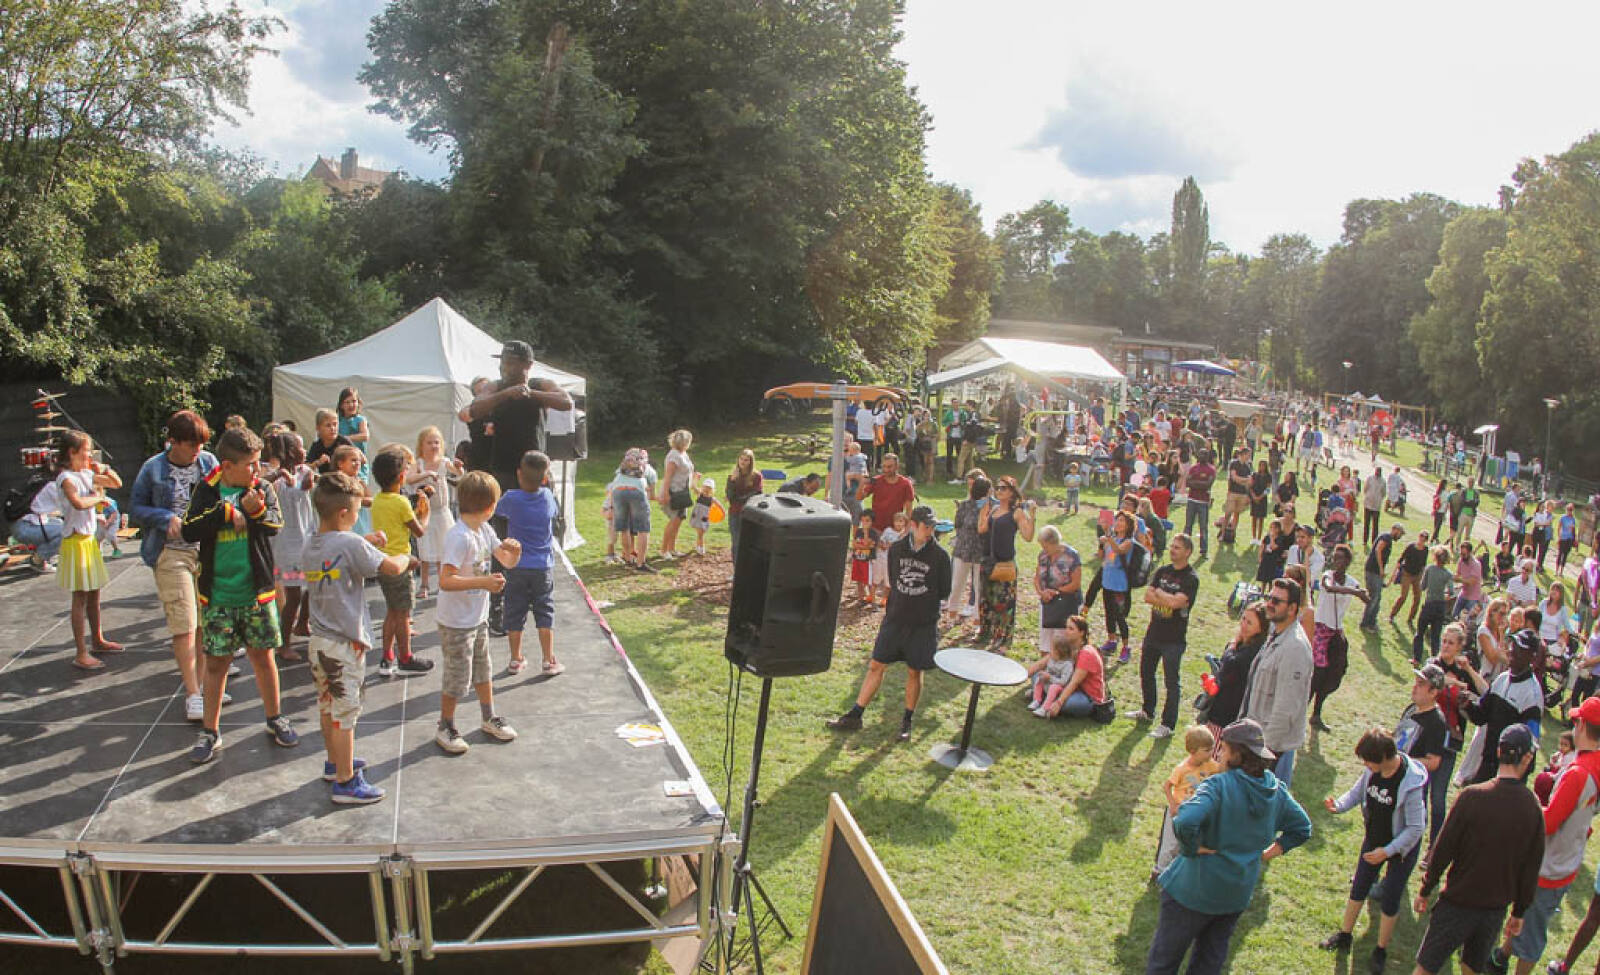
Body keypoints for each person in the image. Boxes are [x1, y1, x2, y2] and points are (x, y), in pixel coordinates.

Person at [1145, 718, 1312, 975]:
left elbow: (1185, 820)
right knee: (1208, 964)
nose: (1219, 755)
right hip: (1235, 895)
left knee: (1163, 963)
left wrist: (1190, 848)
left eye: (1223, 749)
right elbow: (1302, 828)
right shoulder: (1275, 791)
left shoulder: (1218, 785)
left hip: (1193, 890)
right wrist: (1267, 854)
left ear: (1236, 755)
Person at [180, 427, 297, 764]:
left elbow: (275, 525)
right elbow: (189, 529)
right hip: (219, 595)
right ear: (228, 466)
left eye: (259, 462)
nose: (257, 470)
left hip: (257, 594)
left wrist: (254, 512)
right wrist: (227, 513)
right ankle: (210, 731)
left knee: (263, 657)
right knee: (216, 663)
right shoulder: (207, 489)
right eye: (250, 464)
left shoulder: (262, 488)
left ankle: (275, 717)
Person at [301, 472, 416, 804]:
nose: (358, 516)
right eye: (355, 511)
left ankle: (334, 762)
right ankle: (346, 781)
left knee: (328, 706)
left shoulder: (312, 542)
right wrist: (405, 557)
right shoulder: (350, 543)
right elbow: (390, 567)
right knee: (346, 715)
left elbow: (343, 551)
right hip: (344, 646)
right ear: (343, 513)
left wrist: (367, 542)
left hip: (319, 642)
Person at [1412, 724, 1545, 975]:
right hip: (1494, 911)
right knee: (1472, 968)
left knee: (1426, 968)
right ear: (1528, 758)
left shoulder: (1471, 797)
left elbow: (1443, 849)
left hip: (1457, 902)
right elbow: (1531, 867)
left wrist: (1426, 888)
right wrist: (1519, 911)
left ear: (1498, 751)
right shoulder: (1533, 808)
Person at [1487, 697, 1600, 975]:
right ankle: (1501, 956)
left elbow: (1547, 823)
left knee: (1532, 935)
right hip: (1567, 858)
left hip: (1550, 865)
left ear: (1582, 725)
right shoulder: (1593, 763)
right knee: (1524, 916)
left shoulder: (1578, 773)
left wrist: (1531, 803)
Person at [828, 507, 950, 741]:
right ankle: (855, 715)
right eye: (926, 526)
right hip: (895, 619)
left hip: (922, 624)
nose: (930, 530)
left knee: (914, 671)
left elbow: (944, 590)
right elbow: (894, 581)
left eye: (932, 526)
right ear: (913, 525)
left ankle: (907, 721)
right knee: (876, 665)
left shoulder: (940, 556)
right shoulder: (897, 549)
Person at [129, 410, 220, 720]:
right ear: (173, 442)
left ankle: (205, 686)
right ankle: (193, 694)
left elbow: (224, 494)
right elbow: (136, 507)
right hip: (170, 553)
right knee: (184, 623)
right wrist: (163, 517)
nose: (197, 450)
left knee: (204, 622)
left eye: (201, 444)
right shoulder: (153, 468)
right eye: (191, 444)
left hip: (205, 551)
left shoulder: (208, 462)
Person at [1318, 728, 1429, 975]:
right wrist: (1339, 805)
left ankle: (1380, 950)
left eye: (1368, 760)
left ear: (1384, 757)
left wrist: (1388, 851)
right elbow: (1358, 792)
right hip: (1375, 839)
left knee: (1390, 899)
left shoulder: (1410, 783)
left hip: (1401, 849)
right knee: (1359, 886)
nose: (1365, 765)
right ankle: (1344, 935)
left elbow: (1416, 828)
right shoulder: (1372, 771)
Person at [434, 471, 523, 754]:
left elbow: (505, 560)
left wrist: (515, 552)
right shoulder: (459, 537)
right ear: (490, 506)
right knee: (457, 677)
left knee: (483, 671)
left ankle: (488, 717)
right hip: (456, 623)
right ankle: (445, 725)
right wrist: (483, 582)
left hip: (477, 618)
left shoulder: (484, 530)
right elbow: (445, 580)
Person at [53, 431, 124, 671]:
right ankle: (81, 652)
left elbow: (117, 483)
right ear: (72, 452)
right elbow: (78, 503)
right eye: (86, 450)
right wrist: (97, 498)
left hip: (88, 541)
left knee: (94, 593)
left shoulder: (86, 474)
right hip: (75, 542)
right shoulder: (66, 478)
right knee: (80, 596)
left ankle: (97, 639)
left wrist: (104, 470)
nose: (90, 455)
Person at [465, 340, 574, 493]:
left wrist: (530, 393)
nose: (503, 367)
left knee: (538, 507)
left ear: (528, 365)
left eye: (510, 362)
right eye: (502, 362)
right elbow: (475, 409)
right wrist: (506, 394)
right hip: (504, 470)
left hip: (534, 469)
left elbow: (566, 402)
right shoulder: (496, 386)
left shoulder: (539, 384)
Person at [1242, 577, 1315, 788]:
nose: (1269, 604)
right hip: (1253, 738)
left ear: (1292, 608)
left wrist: (1263, 754)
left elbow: (1286, 709)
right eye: (1269, 598)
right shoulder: (1275, 633)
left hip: (1270, 750)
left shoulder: (1295, 648)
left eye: (1276, 601)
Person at [496, 450, 562, 677]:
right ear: (544, 478)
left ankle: (515, 659)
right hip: (542, 566)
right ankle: (548, 660)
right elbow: (554, 511)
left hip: (516, 565)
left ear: (519, 474)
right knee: (545, 611)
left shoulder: (511, 498)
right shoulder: (547, 497)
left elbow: (498, 510)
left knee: (514, 611)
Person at [368, 448, 432, 679]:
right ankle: (405, 658)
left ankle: (387, 657)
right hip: (400, 565)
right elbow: (419, 531)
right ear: (401, 476)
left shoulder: (378, 500)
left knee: (392, 611)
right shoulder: (401, 502)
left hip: (383, 562)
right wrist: (425, 510)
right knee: (403, 614)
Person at [1129, 534, 1200, 739]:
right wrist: (1166, 597)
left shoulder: (1191, 578)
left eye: (1177, 548)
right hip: (1154, 632)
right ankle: (1147, 711)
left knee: (1171, 682)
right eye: (1172, 546)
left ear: (1188, 552)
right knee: (1146, 672)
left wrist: (1160, 594)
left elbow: (1177, 603)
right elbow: (1147, 596)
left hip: (1174, 639)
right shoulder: (1162, 571)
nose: (1172, 550)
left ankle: (1167, 724)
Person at [1464, 630, 1545, 784]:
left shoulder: (1532, 697)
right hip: (1487, 764)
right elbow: (1481, 716)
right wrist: (1467, 705)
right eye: (1513, 644)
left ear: (1532, 657)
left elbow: (1530, 747)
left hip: (1508, 776)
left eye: (1519, 648)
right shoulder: (1501, 679)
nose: (1512, 650)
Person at [263, 432, 313, 660]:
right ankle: (283, 644)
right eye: (301, 447)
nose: (305, 450)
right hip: (287, 545)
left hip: (305, 538)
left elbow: (310, 484)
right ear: (292, 452)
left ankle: (302, 623)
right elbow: (261, 485)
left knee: (313, 584)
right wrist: (279, 474)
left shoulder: (304, 472)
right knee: (293, 595)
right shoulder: (276, 479)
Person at [1152, 726, 1224, 879]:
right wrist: (1173, 805)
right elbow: (1167, 786)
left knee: (1187, 843)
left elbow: (1222, 772)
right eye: (1207, 750)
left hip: (1195, 812)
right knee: (1170, 844)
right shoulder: (1182, 769)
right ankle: (1159, 871)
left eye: (1212, 749)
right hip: (1177, 812)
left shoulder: (1210, 765)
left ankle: (1177, 873)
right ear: (1193, 751)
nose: (1211, 753)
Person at [1311, 544, 1367, 732]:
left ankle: (1316, 714)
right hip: (1321, 629)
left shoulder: (1352, 581)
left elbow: (1366, 598)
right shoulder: (1327, 575)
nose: (1337, 561)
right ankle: (1303, 711)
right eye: (1335, 557)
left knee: (1335, 673)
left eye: (1341, 558)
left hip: (1336, 632)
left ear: (1348, 561)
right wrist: (1354, 592)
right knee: (1318, 672)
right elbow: (1328, 587)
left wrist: (1364, 595)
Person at [977, 476, 1034, 655]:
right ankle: (986, 633)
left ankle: (1003, 640)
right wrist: (983, 512)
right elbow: (982, 529)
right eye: (997, 487)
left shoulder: (1016, 512)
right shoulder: (994, 509)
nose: (999, 490)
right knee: (986, 600)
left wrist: (1032, 516)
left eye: (1003, 488)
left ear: (1011, 492)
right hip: (988, 562)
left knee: (1004, 604)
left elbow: (1028, 536)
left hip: (1005, 564)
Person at [407, 426, 462, 599]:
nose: (433, 446)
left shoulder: (444, 461)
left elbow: (458, 474)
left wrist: (459, 468)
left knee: (442, 549)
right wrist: (426, 474)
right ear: (421, 445)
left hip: (442, 512)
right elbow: (409, 479)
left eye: (436, 442)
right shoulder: (419, 463)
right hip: (426, 514)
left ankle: (442, 582)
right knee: (425, 551)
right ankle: (424, 584)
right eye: (429, 443)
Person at [1201, 603, 1269, 735]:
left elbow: (1232, 664)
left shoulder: (1253, 652)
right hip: (1218, 707)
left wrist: (1231, 647)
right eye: (1243, 618)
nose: (1243, 624)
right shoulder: (1240, 643)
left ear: (1261, 628)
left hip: (1229, 715)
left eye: (1249, 623)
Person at [1031, 617, 1107, 719]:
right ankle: (1045, 698)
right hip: (1070, 687)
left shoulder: (1086, 653)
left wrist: (1059, 703)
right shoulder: (1069, 646)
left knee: (1068, 704)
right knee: (1037, 676)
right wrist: (1023, 676)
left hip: (1087, 697)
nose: (1066, 631)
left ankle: (1045, 699)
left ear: (1081, 633)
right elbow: (1045, 661)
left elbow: (1074, 682)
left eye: (1071, 629)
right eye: (1066, 627)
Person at [944, 472, 989, 623]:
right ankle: (951, 615)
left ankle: (977, 619)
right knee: (957, 584)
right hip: (963, 549)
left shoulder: (990, 508)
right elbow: (958, 524)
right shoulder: (965, 506)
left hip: (981, 552)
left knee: (979, 587)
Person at [1034, 524, 1082, 657]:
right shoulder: (1043, 556)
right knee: (1045, 642)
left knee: (1062, 643)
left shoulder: (1071, 556)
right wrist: (1041, 592)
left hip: (1065, 604)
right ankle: (1045, 665)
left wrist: (1056, 592)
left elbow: (1076, 583)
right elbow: (1037, 578)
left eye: (1046, 546)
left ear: (1054, 542)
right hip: (1047, 603)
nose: (1043, 549)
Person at [607, 448, 657, 572]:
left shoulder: (621, 468)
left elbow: (614, 484)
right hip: (637, 491)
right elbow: (652, 495)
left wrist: (611, 507)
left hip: (618, 491)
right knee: (643, 529)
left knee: (625, 528)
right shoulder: (649, 469)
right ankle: (640, 563)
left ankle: (628, 559)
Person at [1097, 510, 1137, 662]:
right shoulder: (1111, 539)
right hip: (1107, 582)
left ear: (1128, 526)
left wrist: (1108, 536)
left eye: (1122, 521)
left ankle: (1126, 647)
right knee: (1109, 613)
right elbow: (1103, 557)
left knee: (1120, 617)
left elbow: (1118, 550)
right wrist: (1101, 544)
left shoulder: (1128, 542)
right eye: (1117, 520)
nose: (1118, 523)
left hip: (1119, 585)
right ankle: (1111, 640)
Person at [1413, 546, 1455, 665]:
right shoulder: (1448, 574)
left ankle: (1417, 658)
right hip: (1440, 606)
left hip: (1429, 604)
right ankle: (1435, 661)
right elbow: (1451, 591)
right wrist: (1444, 594)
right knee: (1435, 636)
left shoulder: (1430, 569)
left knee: (1420, 632)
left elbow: (1422, 586)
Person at [658, 429, 695, 560]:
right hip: (673, 492)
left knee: (679, 520)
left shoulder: (683, 453)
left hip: (682, 492)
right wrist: (666, 493)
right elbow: (668, 477)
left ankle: (672, 548)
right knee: (674, 520)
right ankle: (663, 550)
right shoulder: (674, 456)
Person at [1361, 524, 1404, 630]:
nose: (1400, 536)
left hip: (1375, 572)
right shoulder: (1386, 537)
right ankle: (1366, 623)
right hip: (1373, 571)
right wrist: (1381, 569)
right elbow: (1378, 549)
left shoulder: (1387, 539)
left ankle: (1371, 622)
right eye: (1400, 533)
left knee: (1376, 597)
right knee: (1374, 597)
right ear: (1395, 530)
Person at [724, 449, 763, 560]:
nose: (743, 462)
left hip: (750, 513)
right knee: (736, 542)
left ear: (751, 462)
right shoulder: (732, 476)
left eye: (746, 460)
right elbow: (730, 497)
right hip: (735, 513)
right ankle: (736, 568)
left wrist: (738, 499)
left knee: (750, 542)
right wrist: (732, 481)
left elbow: (756, 494)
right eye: (741, 459)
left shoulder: (756, 476)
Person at [1390, 530, 1432, 626]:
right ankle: (1392, 614)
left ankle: (1410, 618)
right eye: (1421, 537)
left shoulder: (1425, 550)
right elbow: (1401, 559)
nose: (1422, 540)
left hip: (1417, 575)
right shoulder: (1411, 547)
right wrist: (1395, 573)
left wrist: (1422, 577)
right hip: (1407, 574)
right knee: (1403, 596)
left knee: (1417, 597)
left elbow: (1423, 564)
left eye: (1424, 538)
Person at [1181, 448, 1216, 559]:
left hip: (1203, 502)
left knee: (1203, 527)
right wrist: (1201, 484)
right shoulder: (1193, 468)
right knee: (1188, 525)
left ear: (1208, 456)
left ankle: (1204, 550)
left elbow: (1208, 485)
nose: (1202, 456)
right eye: (1200, 454)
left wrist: (1195, 483)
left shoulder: (1211, 469)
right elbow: (1187, 482)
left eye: (1204, 454)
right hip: (1192, 500)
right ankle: (1184, 547)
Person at [874, 510, 909, 609]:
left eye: (901, 521)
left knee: (889, 581)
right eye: (897, 521)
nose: (898, 523)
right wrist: (883, 545)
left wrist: (891, 545)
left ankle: (884, 599)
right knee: (876, 579)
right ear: (893, 522)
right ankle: (872, 597)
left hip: (893, 562)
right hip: (882, 558)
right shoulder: (888, 530)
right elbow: (881, 540)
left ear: (905, 523)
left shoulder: (904, 535)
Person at [688, 477, 715, 556]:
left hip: (704, 518)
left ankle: (698, 547)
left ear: (712, 490)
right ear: (702, 487)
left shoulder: (712, 499)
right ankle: (701, 548)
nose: (706, 489)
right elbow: (693, 486)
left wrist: (723, 513)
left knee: (701, 534)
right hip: (697, 517)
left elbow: (719, 507)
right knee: (700, 534)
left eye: (709, 488)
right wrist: (696, 478)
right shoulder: (700, 495)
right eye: (705, 487)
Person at [1361, 468, 1386, 549]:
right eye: (1376, 471)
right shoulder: (1370, 478)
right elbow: (1365, 489)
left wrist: (1378, 499)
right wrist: (1368, 496)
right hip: (1368, 504)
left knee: (1375, 525)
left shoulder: (1383, 481)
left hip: (1376, 506)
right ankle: (1365, 540)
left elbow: (1383, 493)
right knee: (1366, 523)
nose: (1377, 473)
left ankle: (1374, 541)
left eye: (1379, 472)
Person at [1556, 503, 1579, 576]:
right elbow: (1559, 527)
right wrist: (1559, 536)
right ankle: (1556, 571)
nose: (1569, 511)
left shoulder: (1573, 519)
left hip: (1569, 539)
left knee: (1565, 555)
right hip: (1563, 537)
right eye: (1568, 510)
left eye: (1571, 510)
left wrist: (1575, 539)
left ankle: (1561, 572)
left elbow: (1574, 530)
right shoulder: (1563, 517)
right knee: (1560, 554)